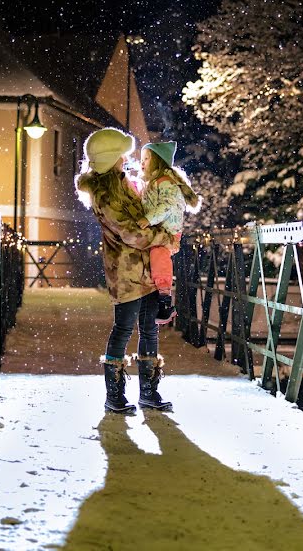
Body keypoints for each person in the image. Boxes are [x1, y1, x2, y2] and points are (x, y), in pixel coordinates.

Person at [75, 128, 175, 414]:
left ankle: (148, 392)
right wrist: (163, 239)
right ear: (111, 159)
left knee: (149, 330)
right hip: (126, 272)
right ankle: (114, 395)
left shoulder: (125, 184)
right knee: (123, 329)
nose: (127, 159)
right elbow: (130, 232)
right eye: (122, 155)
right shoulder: (105, 196)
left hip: (147, 271)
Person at [136, 141, 201, 324]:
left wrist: (148, 219)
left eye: (146, 159)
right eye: (141, 159)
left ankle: (164, 298)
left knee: (159, 254)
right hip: (158, 229)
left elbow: (167, 205)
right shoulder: (152, 182)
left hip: (168, 232)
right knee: (152, 258)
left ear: (158, 161)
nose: (142, 162)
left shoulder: (165, 182)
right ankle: (154, 297)